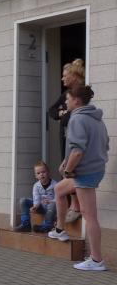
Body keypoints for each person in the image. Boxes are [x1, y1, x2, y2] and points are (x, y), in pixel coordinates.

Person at [47, 84, 109, 271]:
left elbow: (78, 151)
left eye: (67, 99)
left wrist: (68, 170)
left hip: (85, 173)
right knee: (59, 189)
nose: (65, 102)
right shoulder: (96, 119)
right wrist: (66, 162)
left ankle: (96, 260)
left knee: (90, 216)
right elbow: (102, 145)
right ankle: (60, 229)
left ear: (76, 100)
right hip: (95, 169)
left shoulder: (77, 118)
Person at [48, 58, 86, 223]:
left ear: (74, 76)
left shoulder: (81, 94)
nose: (62, 78)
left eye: (65, 75)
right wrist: (62, 113)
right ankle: (74, 205)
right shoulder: (66, 94)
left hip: (75, 140)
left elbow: (75, 114)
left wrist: (65, 113)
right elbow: (52, 110)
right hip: (65, 138)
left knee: (72, 171)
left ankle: (76, 207)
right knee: (66, 170)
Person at [13, 161, 56, 233]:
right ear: (36, 176)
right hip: (40, 206)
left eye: (43, 172)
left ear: (48, 172)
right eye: (38, 173)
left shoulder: (55, 184)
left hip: (51, 209)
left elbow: (59, 199)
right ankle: (26, 224)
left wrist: (51, 201)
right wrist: (35, 206)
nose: (41, 174)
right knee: (23, 200)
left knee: (53, 205)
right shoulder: (36, 186)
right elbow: (36, 198)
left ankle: (46, 226)